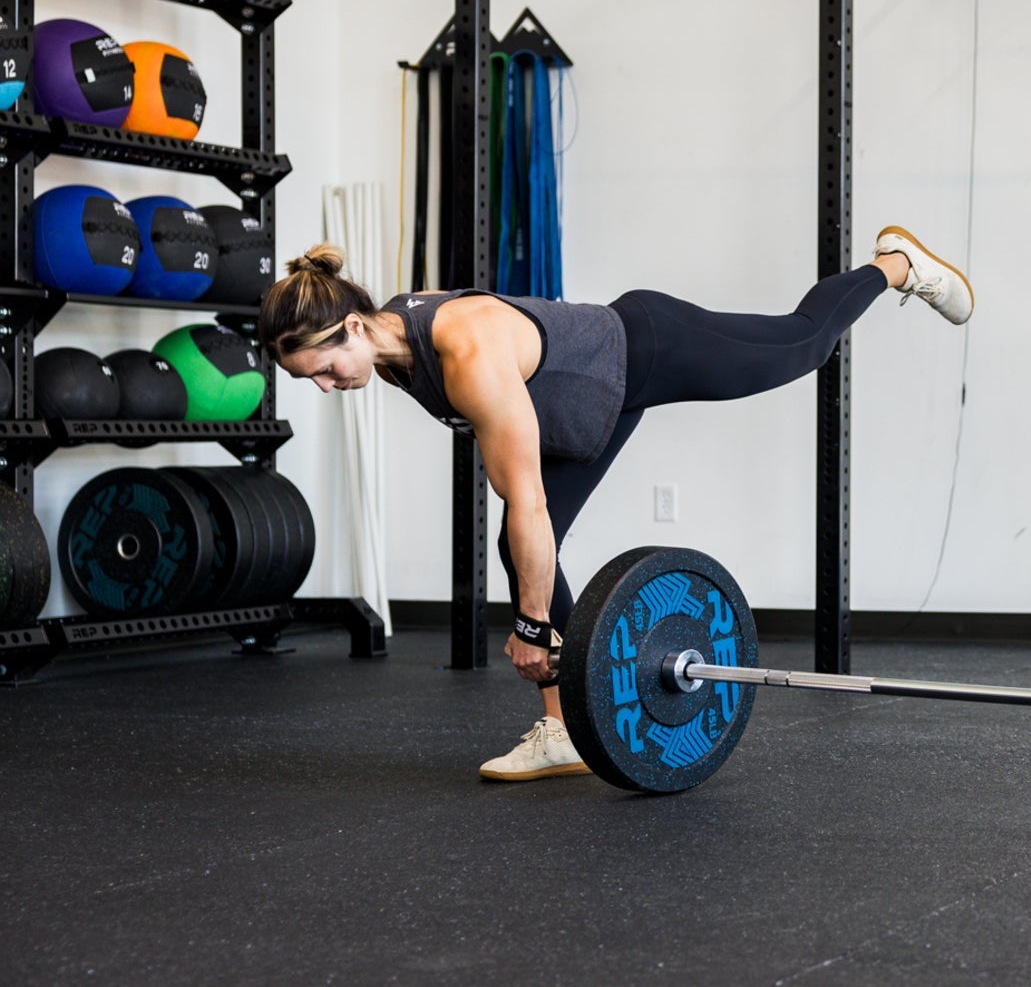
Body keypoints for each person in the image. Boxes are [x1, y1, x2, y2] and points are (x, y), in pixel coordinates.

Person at [258, 227, 972, 781]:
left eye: (322, 370)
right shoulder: (386, 348)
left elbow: (526, 497)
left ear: (350, 328)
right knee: (520, 547)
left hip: (647, 347)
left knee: (804, 344)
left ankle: (896, 266)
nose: (325, 386)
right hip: (589, 407)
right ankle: (564, 727)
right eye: (309, 379)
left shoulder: (462, 351)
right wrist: (534, 620)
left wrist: (533, 628)